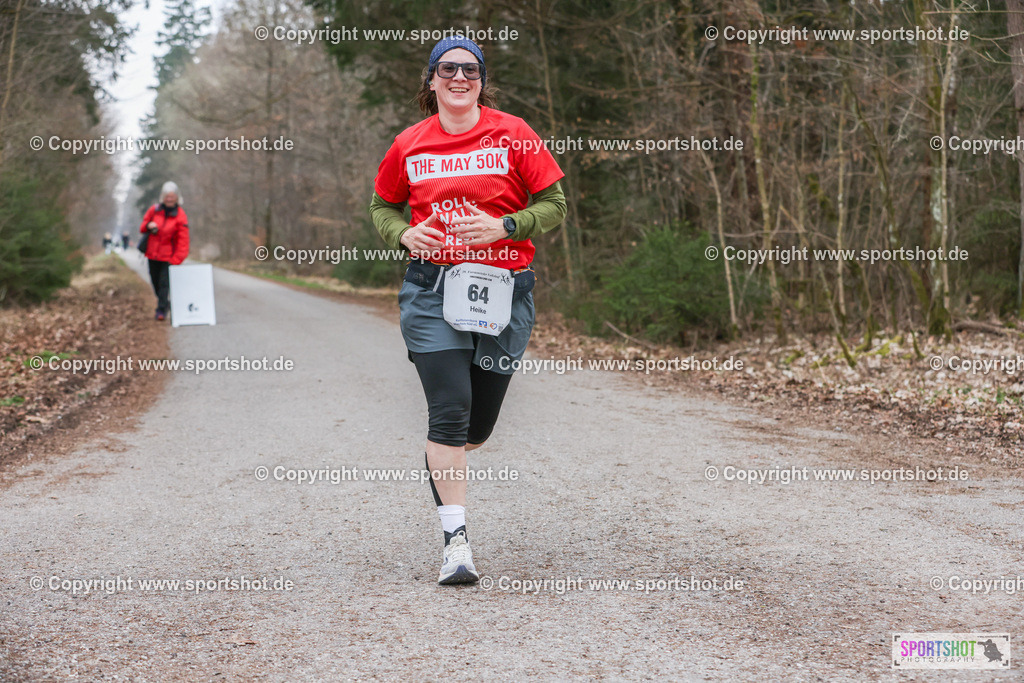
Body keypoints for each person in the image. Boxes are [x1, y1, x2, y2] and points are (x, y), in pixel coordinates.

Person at [370, 36, 567, 584]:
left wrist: (507, 225)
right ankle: (456, 543)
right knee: (450, 413)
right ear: (430, 81)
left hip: (505, 292)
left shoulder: (514, 133)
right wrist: (404, 234)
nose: (460, 78)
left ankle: (449, 453)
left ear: (482, 80)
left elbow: (555, 204)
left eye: (471, 70)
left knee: (476, 428)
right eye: (448, 69)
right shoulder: (409, 143)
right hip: (432, 290)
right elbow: (382, 205)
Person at [139, 182, 190, 321]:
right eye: (167, 196)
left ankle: (160, 310)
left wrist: (177, 259)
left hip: (168, 257)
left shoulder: (180, 215)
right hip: (152, 254)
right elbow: (142, 227)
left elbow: (183, 240)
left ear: (177, 197)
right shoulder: (154, 210)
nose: (169, 199)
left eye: (172, 197)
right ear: (163, 197)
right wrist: (149, 225)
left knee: (164, 284)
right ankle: (165, 304)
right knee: (155, 282)